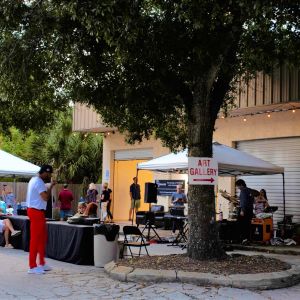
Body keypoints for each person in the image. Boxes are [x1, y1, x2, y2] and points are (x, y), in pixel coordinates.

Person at [26, 164, 56, 275]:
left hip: (35, 211)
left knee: (41, 238)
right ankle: (32, 266)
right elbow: (45, 197)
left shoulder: (34, 179)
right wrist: (51, 187)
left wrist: (50, 186)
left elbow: (41, 193)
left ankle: (41, 263)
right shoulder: (39, 182)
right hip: (36, 211)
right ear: (45, 173)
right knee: (35, 239)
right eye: (48, 174)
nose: (49, 176)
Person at [235, 179, 255, 244]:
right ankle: (248, 239)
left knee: (242, 225)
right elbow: (251, 200)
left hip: (245, 211)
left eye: (238, 186)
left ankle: (243, 239)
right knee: (248, 225)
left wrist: (242, 210)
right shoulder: (249, 190)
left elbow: (243, 201)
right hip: (250, 210)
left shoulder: (243, 191)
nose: (237, 188)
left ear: (241, 185)